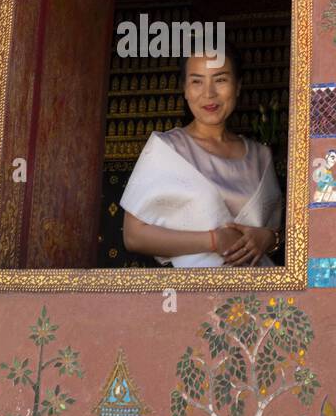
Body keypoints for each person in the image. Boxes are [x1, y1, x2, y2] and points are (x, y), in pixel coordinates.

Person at [121, 43, 282, 268]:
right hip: (194, 293)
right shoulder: (167, 149)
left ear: (237, 86)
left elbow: (274, 230)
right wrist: (213, 240)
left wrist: (268, 239)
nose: (209, 94)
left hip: (258, 291)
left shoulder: (260, 156)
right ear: (185, 89)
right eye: (197, 81)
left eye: (220, 80)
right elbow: (133, 237)